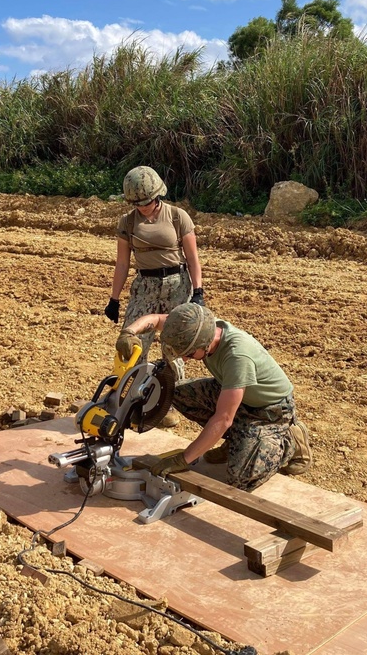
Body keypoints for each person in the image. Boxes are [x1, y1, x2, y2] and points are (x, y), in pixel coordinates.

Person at [115, 303, 313, 492]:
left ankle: (290, 439)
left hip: (270, 412)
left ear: (206, 343)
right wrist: (129, 332)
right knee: (175, 392)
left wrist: (184, 459)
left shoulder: (238, 356)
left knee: (241, 478)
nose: (185, 359)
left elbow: (223, 418)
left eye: (190, 354)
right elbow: (156, 319)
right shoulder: (196, 327)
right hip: (240, 398)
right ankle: (239, 439)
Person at [105, 166, 204, 387]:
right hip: (145, 286)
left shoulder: (178, 217)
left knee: (173, 346)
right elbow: (122, 263)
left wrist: (198, 292)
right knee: (133, 342)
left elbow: (192, 258)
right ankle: (133, 396)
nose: (142, 208)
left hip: (177, 284)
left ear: (158, 195)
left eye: (146, 202)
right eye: (136, 204)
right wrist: (114, 299)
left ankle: (172, 399)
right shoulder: (127, 222)